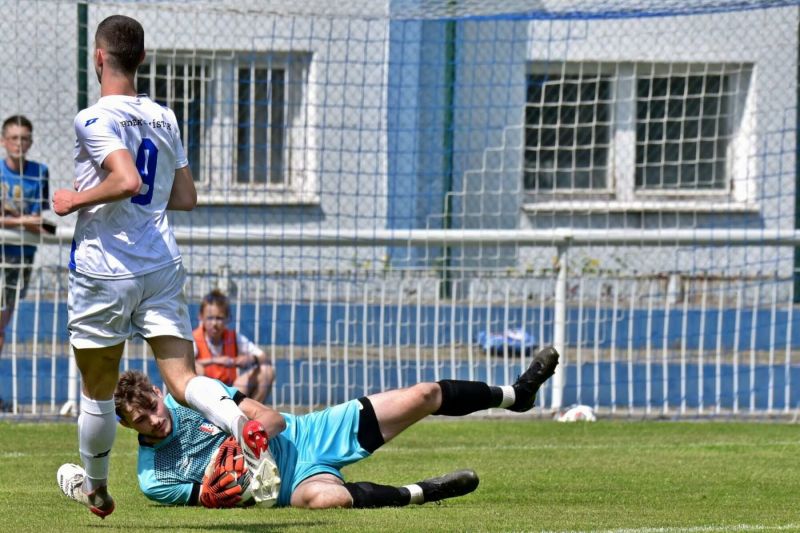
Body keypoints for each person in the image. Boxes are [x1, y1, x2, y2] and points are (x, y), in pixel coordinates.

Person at [51, 15, 272, 519]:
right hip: (161, 263)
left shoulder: (92, 118)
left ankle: (98, 492)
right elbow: (186, 197)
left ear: (99, 58)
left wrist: (75, 199)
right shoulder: (164, 117)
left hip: (106, 269)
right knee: (181, 379)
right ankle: (241, 426)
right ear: (143, 60)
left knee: (98, 392)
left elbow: (126, 179)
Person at [60, 346, 559, 510]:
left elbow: (270, 417)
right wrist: (221, 488)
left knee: (424, 394)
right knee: (332, 501)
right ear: (124, 426)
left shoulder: (191, 395)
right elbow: (212, 498)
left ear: (154, 390)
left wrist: (253, 433)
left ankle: (517, 396)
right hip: (288, 488)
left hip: (309, 434)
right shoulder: (153, 479)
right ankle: (422, 492)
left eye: (150, 403)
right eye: (139, 418)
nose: (153, 415)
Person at [0, 115, 50, 356]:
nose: (19, 144)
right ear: (3, 141)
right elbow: (31, 220)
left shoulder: (39, 172)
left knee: (1, 324)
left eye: (24, 139)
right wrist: (23, 219)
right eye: (13, 138)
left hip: (20, 257)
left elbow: (40, 221)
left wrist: (10, 215)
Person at [194, 289, 275, 403]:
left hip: (230, 391)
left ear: (227, 318)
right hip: (206, 394)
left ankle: (251, 417)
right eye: (210, 318)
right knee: (197, 369)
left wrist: (251, 358)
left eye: (219, 318)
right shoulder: (194, 338)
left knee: (266, 370)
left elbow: (263, 356)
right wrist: (215, 360)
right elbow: (184, 367)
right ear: (201, 317)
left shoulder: (233, 337)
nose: (214, 324)